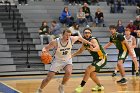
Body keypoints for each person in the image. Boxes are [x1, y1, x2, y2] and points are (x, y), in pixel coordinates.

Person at [36, 29, 93, 93]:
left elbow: (80, 38)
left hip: (67, 59)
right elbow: (46, 48)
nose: (68, 37)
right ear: (62, 35)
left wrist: (89, 42)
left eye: (69, 35)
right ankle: (40, 89)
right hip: (57, 61)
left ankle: (62, 85)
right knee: (49, 78)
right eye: (66, 35)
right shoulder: (55, 41)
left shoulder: (72, 39)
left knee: (69, 72)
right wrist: (44, 51)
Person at [71, 28, 107, 92]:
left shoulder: (93, 39)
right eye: (85, 33)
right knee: (92, 75)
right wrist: (72, 55)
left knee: (88, 69)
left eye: (88, 33)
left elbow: (97, 47)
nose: (87, 34)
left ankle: (81, 86)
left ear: (90, 34)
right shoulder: (85, 42)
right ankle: (100, 86)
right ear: (83, 34)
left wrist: (93, 49)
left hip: (102, 58)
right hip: (96, 59)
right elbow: (80, 50)